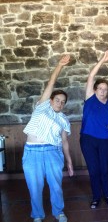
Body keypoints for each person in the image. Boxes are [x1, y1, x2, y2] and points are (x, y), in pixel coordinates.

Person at [22, 55, 73, 222]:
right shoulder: (42, 107)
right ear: (50, 100)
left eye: (63, 101)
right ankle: (37, 215)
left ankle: (58, 212)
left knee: (55, 186)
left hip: (53, 152)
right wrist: (59, 65)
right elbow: (51, 83)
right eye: (57, 100)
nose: (59, 103)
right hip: (32, 152)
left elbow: (64, 141)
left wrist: (70, 162)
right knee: (35, 187)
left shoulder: (64, 119)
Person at [80, 49, 108, 209]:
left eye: (105, 89)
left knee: (104, 169)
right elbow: (91, 76)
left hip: (106, 140)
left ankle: (107, 194)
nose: (103, 91)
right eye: (100, 88)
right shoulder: (90, 99)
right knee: (94, 170)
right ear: (95, 89)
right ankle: (96, 197)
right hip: (88, 139)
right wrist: (103, 60)